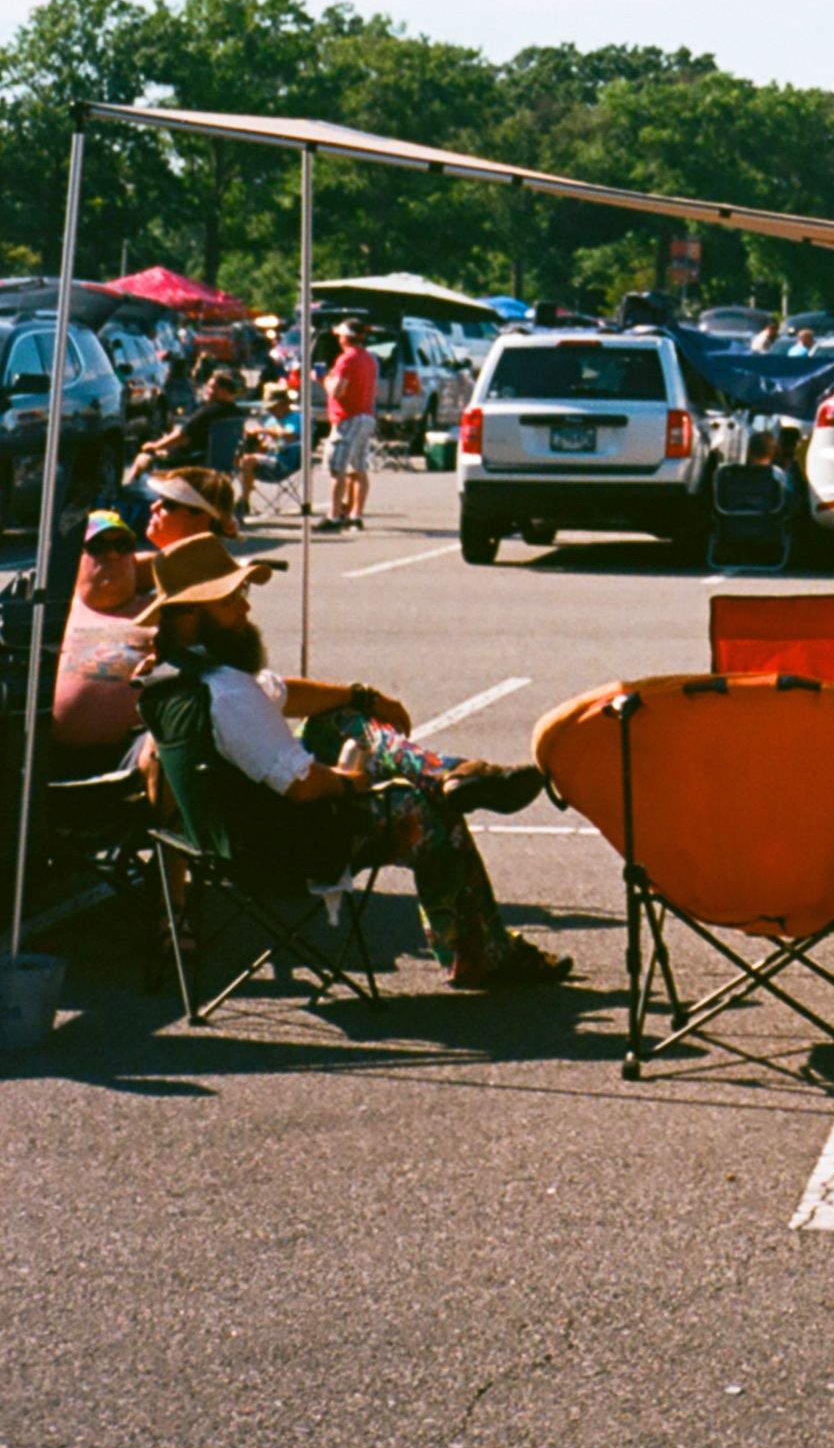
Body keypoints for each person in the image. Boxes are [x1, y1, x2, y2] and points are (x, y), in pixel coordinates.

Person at [133, 530, 564, 989]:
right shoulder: (226, 691)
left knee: (339, 720)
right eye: (230, 600)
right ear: (190, 617)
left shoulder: (173, 677)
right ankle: (481, 954)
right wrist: (354, 783)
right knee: (432, 818)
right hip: (285, 847)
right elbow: (301, 785)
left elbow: (280, 693)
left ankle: (447, 772)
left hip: (229, 838)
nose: (245, 608)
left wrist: (363, 697)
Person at [53, 511, 153, 755]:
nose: (112, 554)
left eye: (123, 545)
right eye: (97, 546)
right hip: (39, 752)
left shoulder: (156, 611)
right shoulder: (54, 609)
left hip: (132, 753)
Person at [134, 368, 250, 488]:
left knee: (144, 457)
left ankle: (128, 497)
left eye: (212, 388)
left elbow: (181, 436)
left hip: (193, 460)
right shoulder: (238, 414)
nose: (207, 391)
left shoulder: (209, 412)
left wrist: (155, 445)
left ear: (224, 391)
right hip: (223, 464)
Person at [323, 322, 379, 535]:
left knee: (338, 468)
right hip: (365, 415)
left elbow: (337, 391)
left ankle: (334, 515)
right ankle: (356, 514)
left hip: (347, 417)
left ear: (347, 336)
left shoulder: (346, 359)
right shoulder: (369, 359)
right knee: (359, 468)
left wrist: (323, 379)